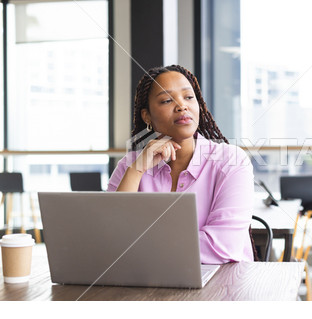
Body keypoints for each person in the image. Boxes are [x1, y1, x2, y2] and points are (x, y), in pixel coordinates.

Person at [107, 65, 255, 264]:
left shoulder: (231, 161)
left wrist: (138, 247)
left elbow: (222, 247)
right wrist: (137, 170)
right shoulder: (130, 165)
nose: (181, 106)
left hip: (222, 285)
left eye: (189, 97)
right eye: (167, 100)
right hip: (149, 284)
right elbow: (111, 237)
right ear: (147, 116)